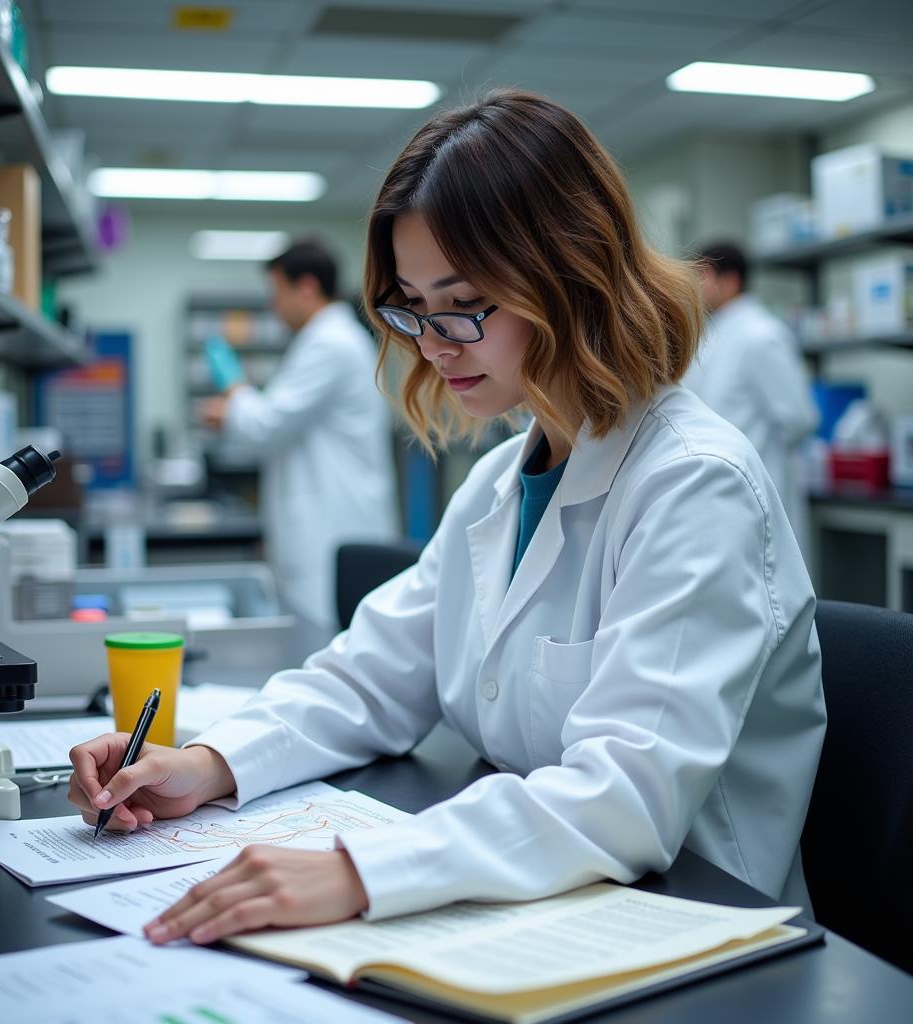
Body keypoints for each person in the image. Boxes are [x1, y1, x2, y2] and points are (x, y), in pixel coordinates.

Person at [69, 90, 826, 947]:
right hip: (544, 896)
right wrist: (207, 764)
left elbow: (627, 794)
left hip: (689, 926)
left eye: (464, 302)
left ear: (571, 276)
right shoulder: (505, 480)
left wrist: (361, 871)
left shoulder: (694, 484)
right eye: (413, 308)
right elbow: (371, 675)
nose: (433, 345)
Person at [198, 240, 399, 650]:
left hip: (331, 526)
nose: (274, 305)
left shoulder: (330, 344)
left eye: (278, 292)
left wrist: (234, 394)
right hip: (326, 523)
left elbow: (266, 424)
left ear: (306, 288)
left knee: (329, 650)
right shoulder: (324, 340)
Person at [683, 241, 819, 552]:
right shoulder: (713, 335)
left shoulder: (761, 334)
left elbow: (800, 419)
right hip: (716, 491)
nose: (695, 285)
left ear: (730, 281)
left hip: (759, 486)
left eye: (702, 275)